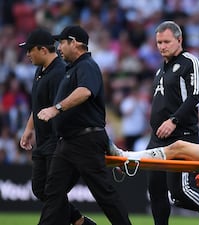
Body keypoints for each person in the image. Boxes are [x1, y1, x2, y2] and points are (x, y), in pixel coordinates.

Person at [136, 20, 199, 225]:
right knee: (156, 189)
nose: (162, 46)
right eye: (159, 42)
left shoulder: (190, 62)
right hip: (157, 137)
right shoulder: (160, 69)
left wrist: (174, 120)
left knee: (180, 192)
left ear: (179, 40)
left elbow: (195, 96)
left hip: (182, 135)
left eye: (167, 42)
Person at [35, 25, 132, 225]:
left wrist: (57, 108)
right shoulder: (72, 69)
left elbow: (85, 91)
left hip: (85, 140)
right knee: (53, 193)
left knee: (104, 194)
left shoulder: (87, 66)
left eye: (62, 42)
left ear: (75, 43)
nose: (59, 48)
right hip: (67, 142)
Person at [18, 28, 96, 225]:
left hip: (57, 143)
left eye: (30, 50)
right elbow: (39, 105)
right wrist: (29, 128)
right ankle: (79, 222)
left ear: (43, 50)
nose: (27, 54)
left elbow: (60, 108)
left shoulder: (60, 72)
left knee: (54, 193)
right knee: (40, 189)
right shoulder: (40, 71)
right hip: (42, 143)